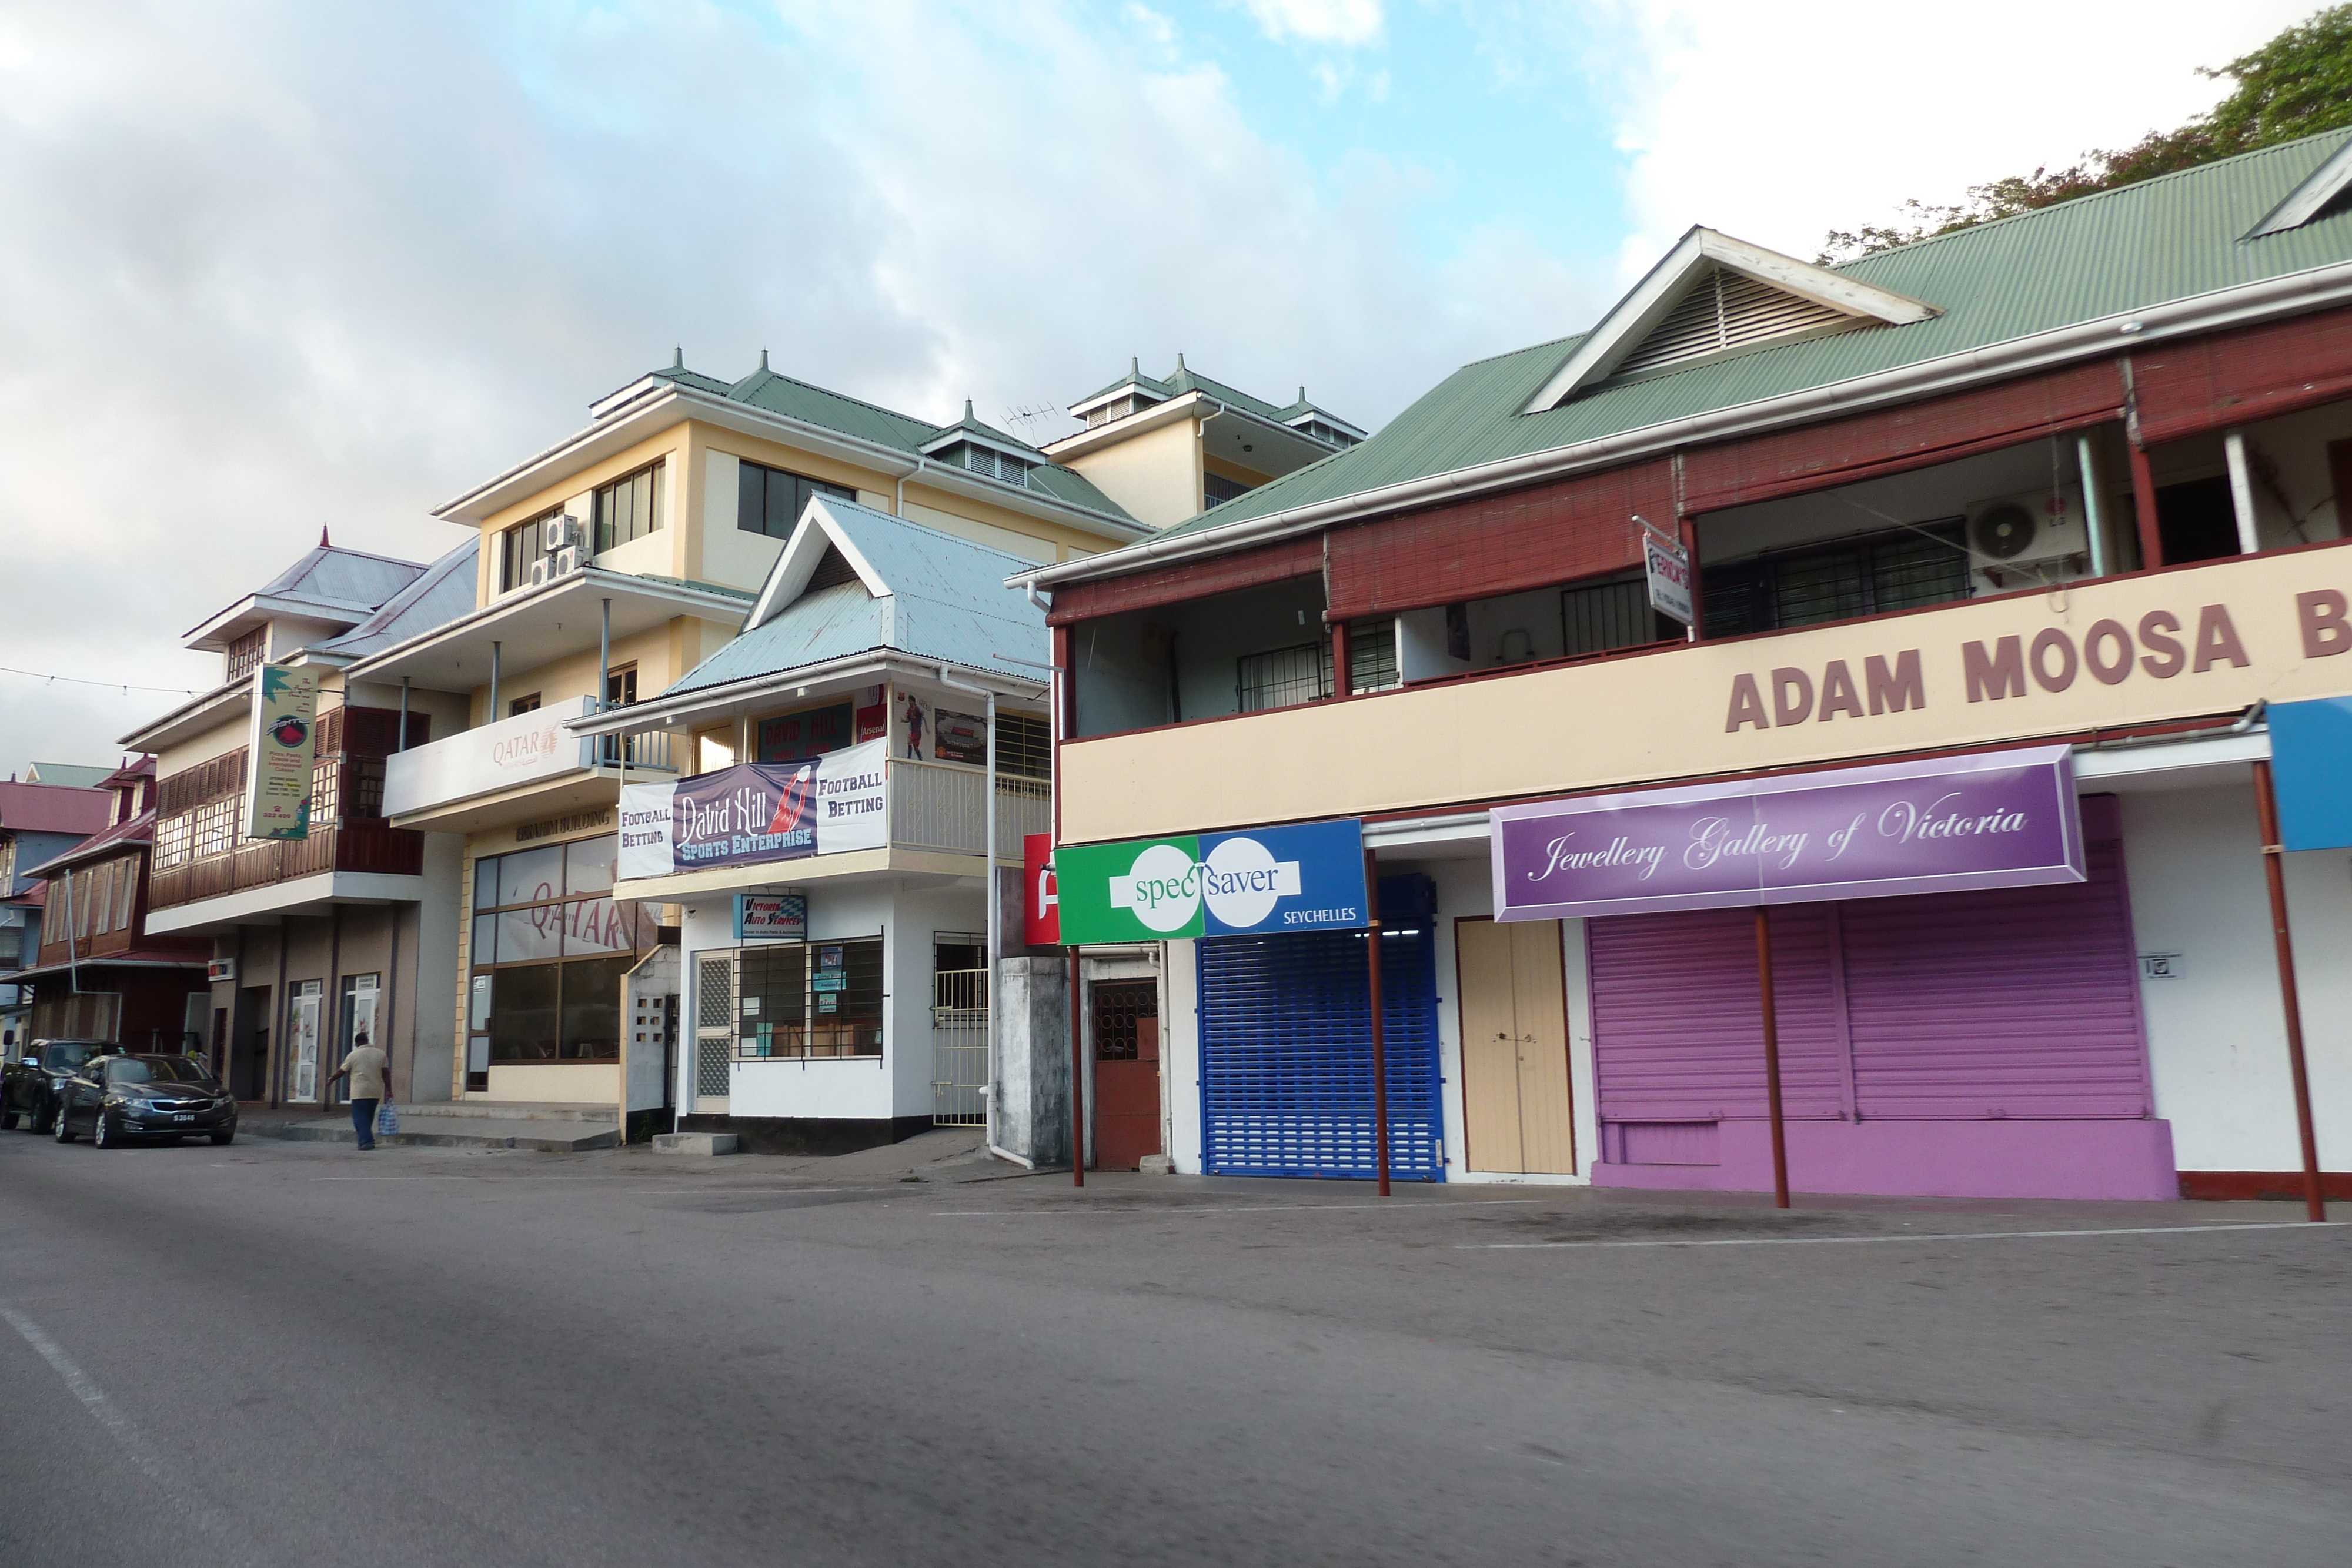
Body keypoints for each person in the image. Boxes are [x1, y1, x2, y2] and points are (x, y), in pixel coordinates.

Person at [327, 1030, 391, 1152]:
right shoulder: (381, 1054)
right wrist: (389, 1090)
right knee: (368, 1118)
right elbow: (386, 1073)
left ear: (357, 1043)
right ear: (367, 1041)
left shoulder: (353, 1055)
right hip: (375, 1090)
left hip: (359, 1092)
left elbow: (342, 1071)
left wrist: (331, 1080)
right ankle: (365, 1140)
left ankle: (366, 1142)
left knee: (359, 1118)